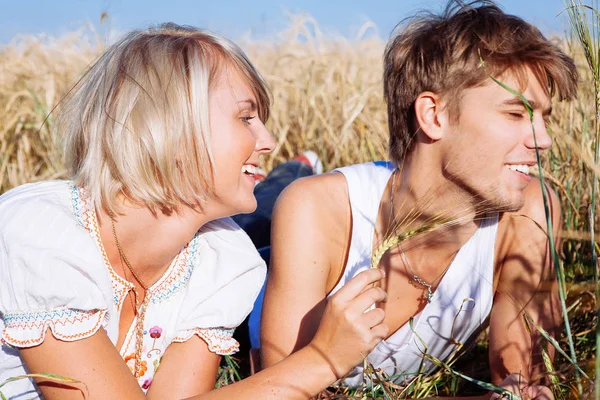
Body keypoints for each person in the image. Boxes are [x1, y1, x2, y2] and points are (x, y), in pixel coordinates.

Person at [0, 23, 389, 400]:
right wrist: (323, 359)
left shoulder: (221, 259)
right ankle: (299, 167)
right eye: (246, 117)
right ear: (169, 123)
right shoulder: (41, 234)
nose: (268, 140)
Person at [260, 1, 578, 398]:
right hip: (261, 259)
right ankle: (296, 166)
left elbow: (520, 379)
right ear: (433, 115)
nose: (543, 139)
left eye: (544, 117)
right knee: (261, 208)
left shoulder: (531, 212)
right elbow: (281, 386)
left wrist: (517, 391)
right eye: (516, 113)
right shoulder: (318, 209)